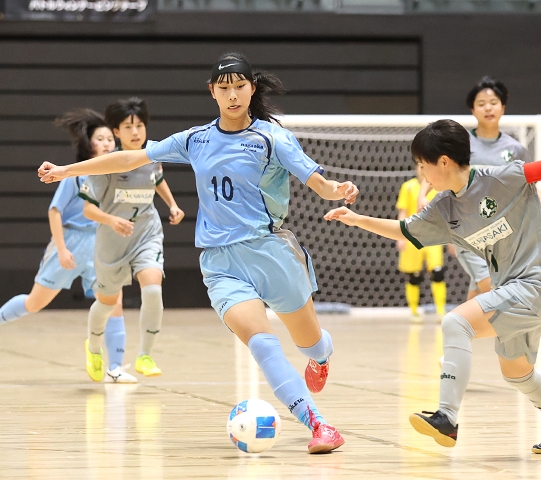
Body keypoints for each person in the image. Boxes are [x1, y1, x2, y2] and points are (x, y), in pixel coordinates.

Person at [38, 53, 358, 454]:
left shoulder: (273, 138)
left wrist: (338, 190)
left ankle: (321, 355)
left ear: (251, 88)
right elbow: (132, 157)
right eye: (223, 87)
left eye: (239, 86)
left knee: (311, 343)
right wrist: (69, 170)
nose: (232, 94)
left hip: (271, 252)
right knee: (262, 343)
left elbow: (316, 180)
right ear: (212, 92)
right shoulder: (195, 139)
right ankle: (319, 425)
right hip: (221, 262)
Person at [324, 119, 541, 454]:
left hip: (536, 284)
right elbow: (405, 230)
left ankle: (447, 418)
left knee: (456, 322)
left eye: (423, 166)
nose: (422, 174)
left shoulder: (502, 177)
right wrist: (357, 220)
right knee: (518, 375)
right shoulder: (444, 208)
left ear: (443, 161)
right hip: (515, 292)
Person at [0, 109, 134, 383]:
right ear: (89, 144)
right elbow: (54, 211)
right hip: (72, 242)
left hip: (100, 243)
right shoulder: (74, 176)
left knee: (115, 302)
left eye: (111, 139)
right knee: (34, 303)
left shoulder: (114, 176)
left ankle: (116, 368)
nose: (108, 143)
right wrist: (61, 249)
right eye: (101, 139)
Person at [78, 98, 185, 383]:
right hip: (112, 242)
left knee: (152, 289)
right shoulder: (107, 165)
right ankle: (93, 347)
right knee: (106, 303)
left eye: (140, 126)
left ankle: (145, 355)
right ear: (116, 132)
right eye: (129, 127)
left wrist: (172, 204)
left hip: (146, 234)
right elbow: (87, 208)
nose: (136, 132)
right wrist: (111, 220)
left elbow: (156, 179)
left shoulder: (151, 156)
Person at [461, 76, 541, 300]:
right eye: (481, 103)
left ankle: (459, 333)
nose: (488, 108)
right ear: (472, 109)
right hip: (467, 228)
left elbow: (527, 179)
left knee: (477, 295)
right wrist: (424, 196)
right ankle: (512, 333)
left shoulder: (515, 148)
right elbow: (439, 176)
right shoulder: (461, 144)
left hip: (499, 230)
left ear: (503, 107)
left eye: (493, 102)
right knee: (495, 290)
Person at [396, 167, 447, 320]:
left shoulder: (439, 186)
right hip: (412, 236)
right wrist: (400, 236)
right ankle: (414, 311)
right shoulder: (408, 187)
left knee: (437, 272)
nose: (423, 170)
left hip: (434, 236)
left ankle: (440, 311)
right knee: (414, 275)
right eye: (420, 166)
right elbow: (403, 212)